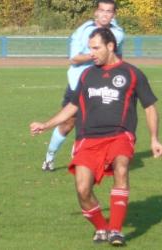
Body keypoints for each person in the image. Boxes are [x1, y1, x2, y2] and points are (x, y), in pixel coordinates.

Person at [30, 28, 162, 246]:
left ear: (110, 46)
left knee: (122, 166)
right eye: (89, 48)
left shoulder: (132, 73)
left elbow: (149, 107)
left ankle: (116, 231)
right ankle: (102, 228)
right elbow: (72, 106)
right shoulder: (87, 75)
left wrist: (154, 139)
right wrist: (46, 125)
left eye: (96, 48)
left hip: (119, 135)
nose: (91, 53)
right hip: (88, 139)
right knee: (83, 189)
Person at [42, 0, 125, 171]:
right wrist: (96, 54)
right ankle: (50, 156)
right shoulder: (84, 31)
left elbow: (118, 57)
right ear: (96, 12)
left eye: (109, 11)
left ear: (113, 14)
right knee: (67, 123)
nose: (105, 14)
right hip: (79, 83)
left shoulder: (118, 33)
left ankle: (82, 153)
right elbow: (74, 58)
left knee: (99, 123)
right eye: (102, 10)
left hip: (104, 85)